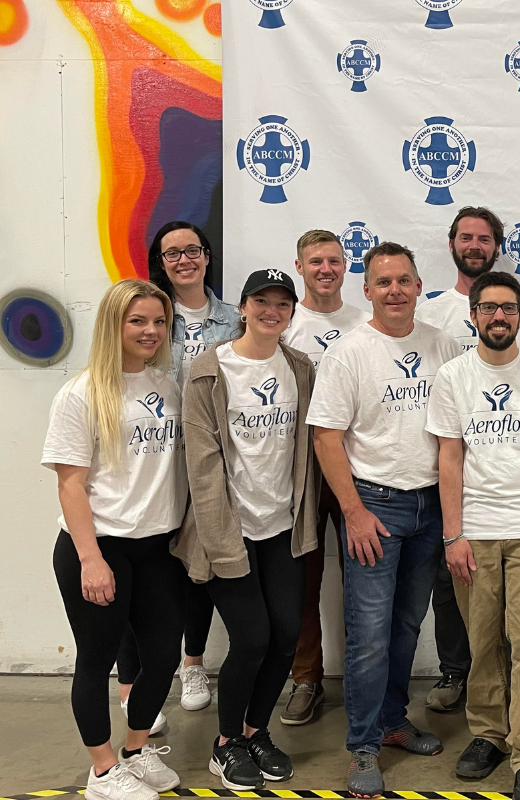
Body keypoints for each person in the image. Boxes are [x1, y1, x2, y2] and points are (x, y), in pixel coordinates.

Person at [308, 242, 459, 797]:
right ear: (366, 290)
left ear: (419, 286)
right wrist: (354, 512)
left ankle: (393, 722)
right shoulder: (349, 352)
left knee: (405, 627)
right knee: (368, 635)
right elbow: (326, 436)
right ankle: (363, 747)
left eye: (404, 280)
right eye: (383, 282)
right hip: (375, 506)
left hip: (430, 504)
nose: (395, 290)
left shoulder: (445, 345)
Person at [171, 268, 320, 790]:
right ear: (243, 307)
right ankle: (225, 743)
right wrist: (221, 544)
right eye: (262, 301)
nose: (271, 311)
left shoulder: (301, 368)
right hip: (227, 532)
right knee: (252, 638)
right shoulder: (209, 371)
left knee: (284, 636)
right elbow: (203, 468)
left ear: (291, 312)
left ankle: (257, 732)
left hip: (282, 529)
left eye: (282, 303)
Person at [427, 271, 520, 800]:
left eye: (508, 309)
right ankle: (488, 734)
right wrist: (452, 535)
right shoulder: (453, 376)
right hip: (475, 533)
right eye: (488, 308)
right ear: (474, 316)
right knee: (482, 640)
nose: (498, 317)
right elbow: (449, 457)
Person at [44, 279, 187, 800]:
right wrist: (90, 559)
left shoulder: (166, 385)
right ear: (113, 325)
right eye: (137, 321)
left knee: (163, 654)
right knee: (96, 658)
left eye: (158, 321)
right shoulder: (81, 394)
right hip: (100, 547)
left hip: (157, 547)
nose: (151, 331)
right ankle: (102, 770)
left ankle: (134, 750)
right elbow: (69, 483)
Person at [414, 206, 520, 713]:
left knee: (516, 608)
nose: (474, 245)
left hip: (511, 475)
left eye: (484, 238)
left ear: (496, 246)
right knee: (454, 582)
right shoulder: (432, 309)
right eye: (465, 237)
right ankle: (454, 671)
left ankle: (512, 690)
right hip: (449, 458)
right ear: (452, 246)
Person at [113, 222, 239, 721]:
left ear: (207, 256)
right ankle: (133, 682)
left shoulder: (235, 318)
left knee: (198, 564)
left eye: (192, 250)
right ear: (159, 263)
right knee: (139, 566)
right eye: (172, 253)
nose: (183, 260)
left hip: (211, 460)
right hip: (153, 456)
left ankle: (192, 662)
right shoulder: (150, 315)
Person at [280, 230, 370, 727]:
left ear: (346, 266)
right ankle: (306, 677)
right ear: (300, 267)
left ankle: (363, 680)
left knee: (364, 578)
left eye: (334, 261)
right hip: (300, 472)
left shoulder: (364, 323)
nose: (326, 269)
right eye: (315, 261)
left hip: (357, 467)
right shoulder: (285, 324)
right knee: (302, 580)